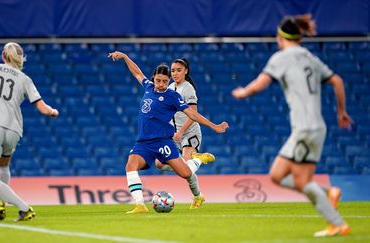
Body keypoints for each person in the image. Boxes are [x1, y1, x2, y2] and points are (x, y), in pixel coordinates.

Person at [231, 14, 353, 237]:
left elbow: (261, 83)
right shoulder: (310, 58)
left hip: (305, 129)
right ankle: (329, 192)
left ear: (280, 37)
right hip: (315, 127)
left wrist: (243, 92)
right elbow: (337, 81)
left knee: (301, 181)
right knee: (277, 175)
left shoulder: (282, 57)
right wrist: (341, 111)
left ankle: (337, 223)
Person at [108, 51, 228, 213]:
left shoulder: (173, 96)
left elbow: (192, 113)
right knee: (131, 165)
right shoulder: (148, 87)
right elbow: (137, 72)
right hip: (143, 142)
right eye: (158, 80)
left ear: (169, 81)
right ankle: (140, 205)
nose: (161, 84)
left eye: (165, 81)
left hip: (163, 142)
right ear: (154, 79)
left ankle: (197, 161)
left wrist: (214, 126)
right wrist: (124, 57)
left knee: (186, 173)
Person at [0, 42, 59, 221]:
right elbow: (43, 108)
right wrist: (53, 111)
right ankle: (2, 203)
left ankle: (24, 208)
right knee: (3, 166)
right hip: (13, 130)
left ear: (4, 56)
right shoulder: (25, 78)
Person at [155, 58, 203, 173]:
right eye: (173, 71)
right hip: (175, 134)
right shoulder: (170, 87)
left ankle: (199, 160)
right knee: (159, 163)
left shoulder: (188, 88)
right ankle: (191, 164)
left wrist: (181, 132)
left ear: (186, 71)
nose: (175, 73)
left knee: (185, 166)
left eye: (178, 70)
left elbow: (194, 114)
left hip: (189, 133)